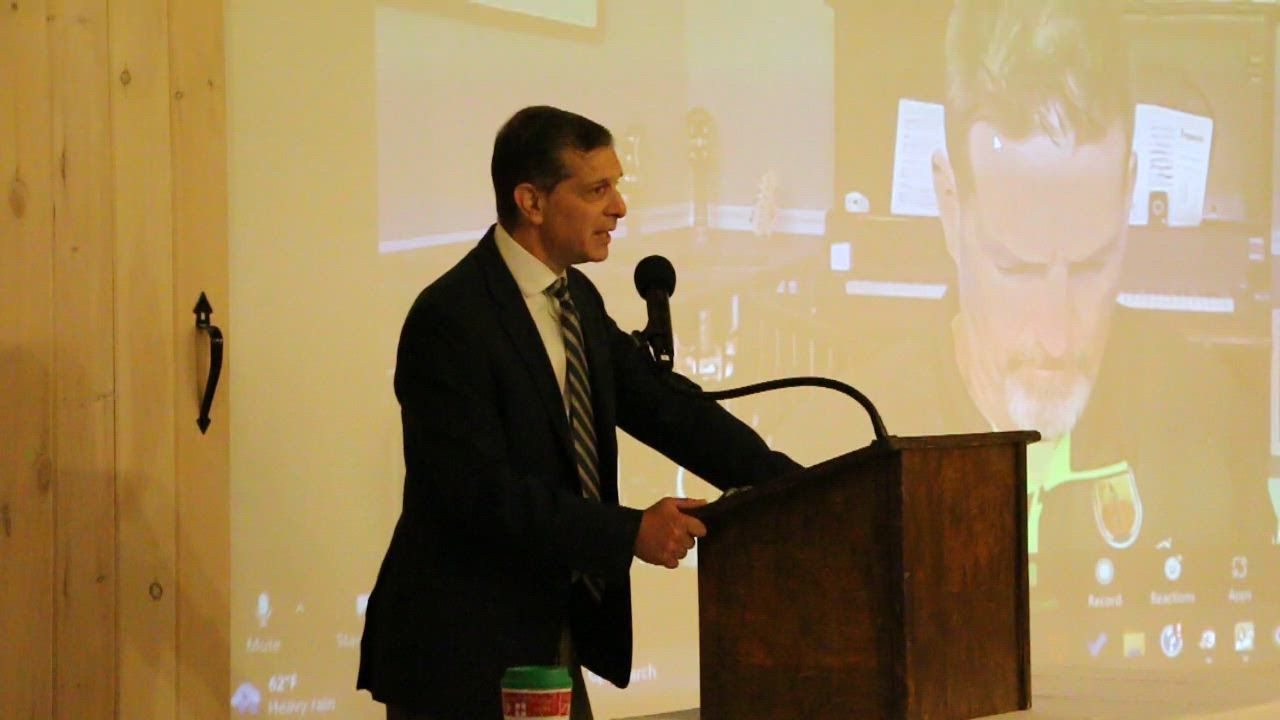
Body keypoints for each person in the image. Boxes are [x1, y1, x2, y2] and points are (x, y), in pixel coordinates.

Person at [357, 106, 801, 720]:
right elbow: (477, 494)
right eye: (598, 190)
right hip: (461, 654)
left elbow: (667, 410)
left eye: (616, 187)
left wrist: (797, 487)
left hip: (549, 636)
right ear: (531, 202)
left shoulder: (576, 300)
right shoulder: (450, 320)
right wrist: (629, 532)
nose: (619, 208)